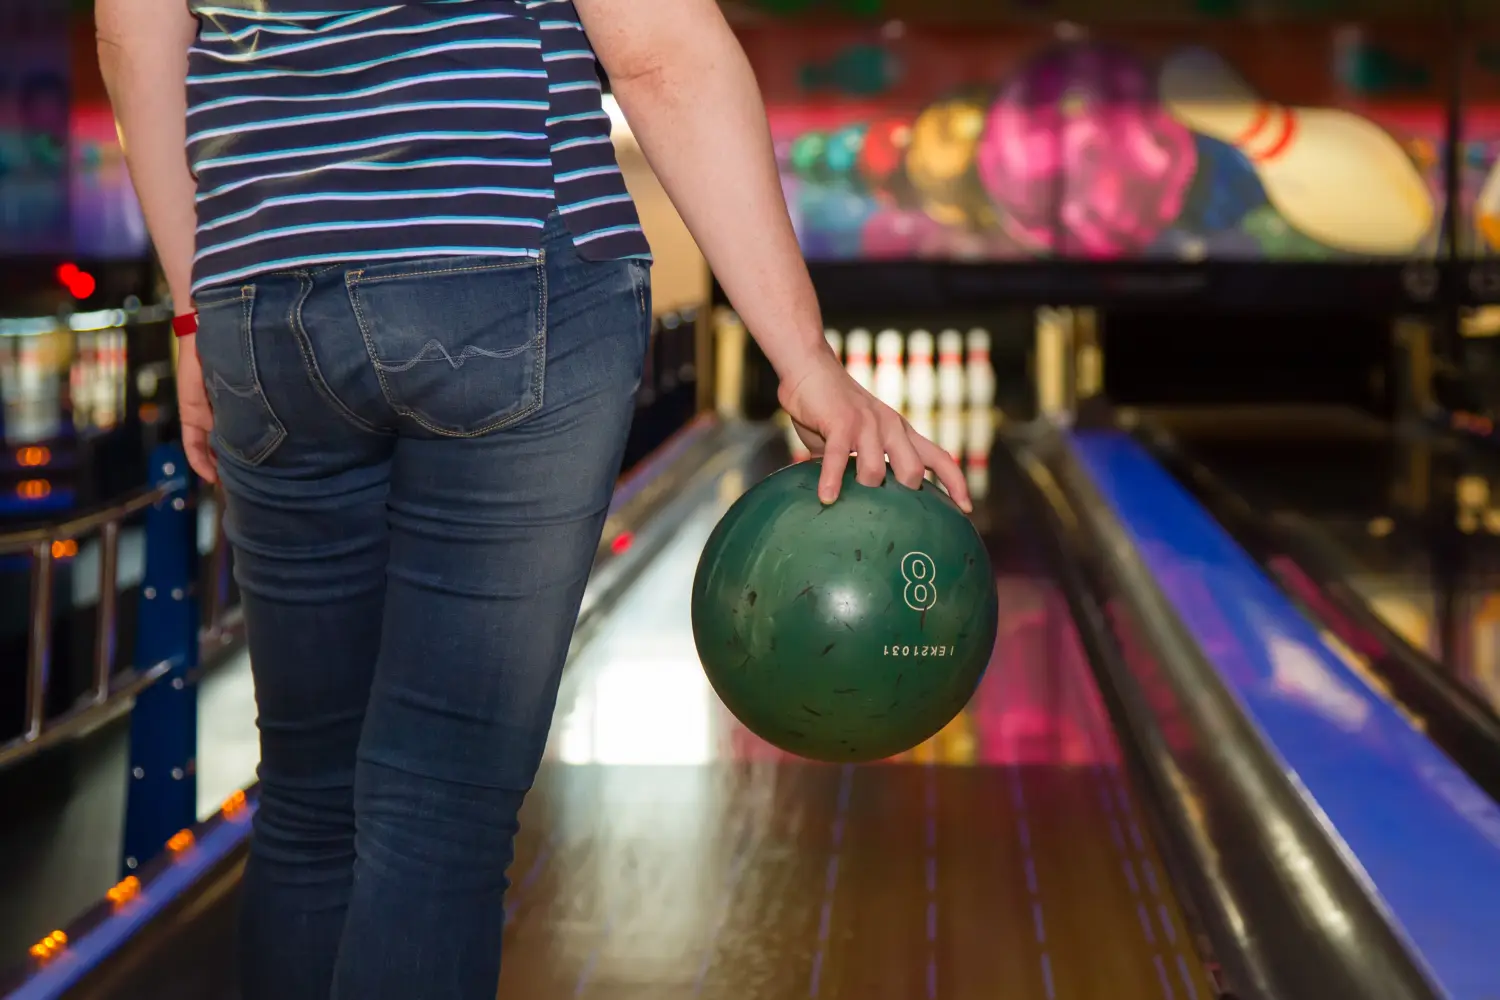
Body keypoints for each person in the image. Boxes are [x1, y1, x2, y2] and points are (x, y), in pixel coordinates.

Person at [96, 1, 972, 998]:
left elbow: (133, 39)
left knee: (308, 796)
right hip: (507, 265)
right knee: (436, 808)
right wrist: (805, 359)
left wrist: (195, 307)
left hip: (262, 296)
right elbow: (655, 49)